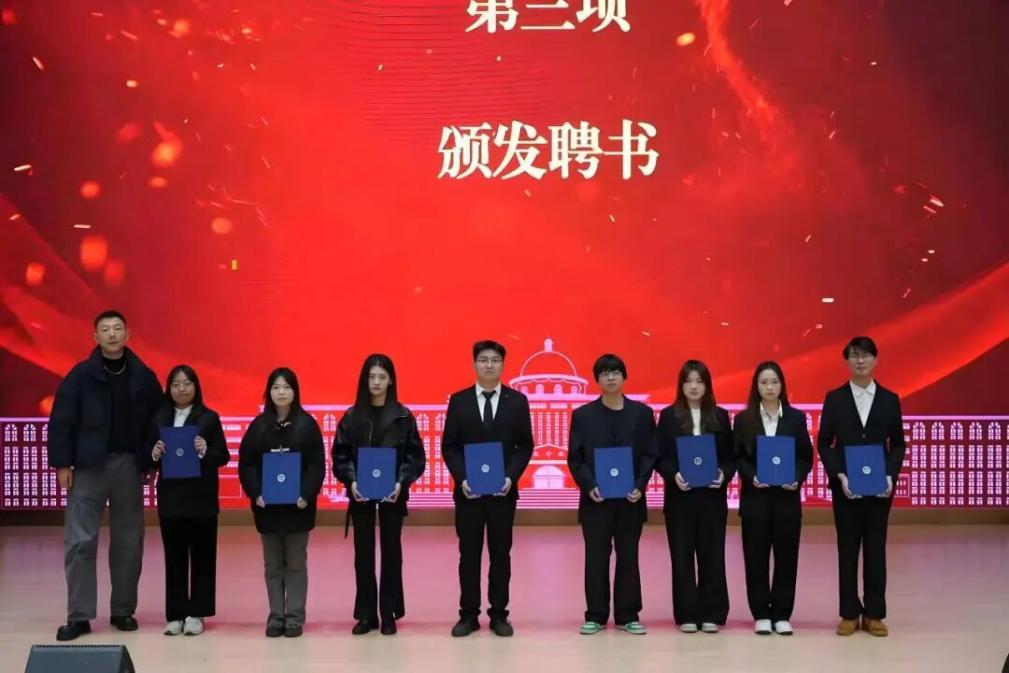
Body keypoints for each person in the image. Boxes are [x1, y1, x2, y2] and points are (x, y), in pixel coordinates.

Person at [47, 310, 162, 641]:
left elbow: (157, 422)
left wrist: (149, 461)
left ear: (128, 335)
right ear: (95, 337)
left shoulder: (143, 376)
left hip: (128, 466)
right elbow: (61, 420)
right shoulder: (80, 376)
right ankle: (79, 615)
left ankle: (123, 610)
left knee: (128, 541)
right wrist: (62, 464)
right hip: (87, 467)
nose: (112, 334)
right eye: (105, 330)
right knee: (80, 541)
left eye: (117, 329)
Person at [442, 340, 533, 637]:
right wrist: (462, 478)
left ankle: (499, 614)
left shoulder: (517, 401)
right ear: (474, 364)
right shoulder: (459, 401)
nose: (489, 365)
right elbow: (450, 446)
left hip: (502, 493)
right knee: (468, 554)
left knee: (500, 554)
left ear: (503, 364)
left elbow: (524, 445)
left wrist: (510, 477)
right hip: (468, 493)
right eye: (483, 359)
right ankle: (468, 614)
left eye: (495, 360)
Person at [818, 336, 905, 637]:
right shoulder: (835, 399)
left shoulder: (890, 399)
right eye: (855, 355)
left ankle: (874, 614)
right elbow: (824, 443)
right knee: (847, 549)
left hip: (880, 489)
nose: (861, 361)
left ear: (875, 360)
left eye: (866, 355)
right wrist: (839, 475)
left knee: (876, 549)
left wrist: (890, 476)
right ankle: (849, 613)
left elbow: (898, 445)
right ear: (847, 361)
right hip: (847, 489)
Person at [333, 354, 426, 636]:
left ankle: (388, 613)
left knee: (391, 552)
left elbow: (415, 457)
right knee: (363, 554)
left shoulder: (403, 416)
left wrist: (401, 481)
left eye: (382, 377)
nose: (376, 382)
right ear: (364, 380)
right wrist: (351, 480)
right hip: (360, 495)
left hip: (392, 495)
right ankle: (366, 615)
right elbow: (340, 455)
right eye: (372, 377)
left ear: (391, 381)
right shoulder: (351, 417)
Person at [567, 354, 656, 636]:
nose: (611, 377)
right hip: (596, 500)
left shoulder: (641, 414)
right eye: (604, 373)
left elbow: (650, 453)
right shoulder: (583, 416)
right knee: (596, 557)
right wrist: (589, 484)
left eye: (616, 372)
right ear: (597, 379)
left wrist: (640, 485)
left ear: (624, 377)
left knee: (628, 556)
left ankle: (628, 615)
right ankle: (595, 614)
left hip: (630, 499)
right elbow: (575, 458)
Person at [238, 367, 325, 638]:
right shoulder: (259, 426)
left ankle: (295, 618)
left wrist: (306, 494)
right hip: (268, 508)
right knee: (273, 564)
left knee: (296, 563)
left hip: (298, 507)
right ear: (268, 393)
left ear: (295, 391)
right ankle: (276, 616)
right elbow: (247, 463)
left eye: (286, 387)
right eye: (276, 387)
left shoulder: (307, 425)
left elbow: (316, 465)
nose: (281, 392)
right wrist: (256, 493)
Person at [147, 365, 229, 636]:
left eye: (187, 383)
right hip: (171, 499)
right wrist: (154, 453)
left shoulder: (209, 418)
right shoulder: (159, 418)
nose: (181, 389)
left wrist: (205, 450)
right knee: (174, 557)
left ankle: (198, 613)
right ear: (169, 388)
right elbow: (147, 456)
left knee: (203, 557)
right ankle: (175, 614)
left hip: (201, 499)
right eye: (176, 384)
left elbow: (223, 456)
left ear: (196, 386)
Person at [733, 361, 813, 636]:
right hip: (755, 499)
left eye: (774, 382)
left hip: (786, 500)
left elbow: (805, 456)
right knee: (755, 558)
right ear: (756, 386)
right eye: (764, 382)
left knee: (786, 558)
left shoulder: (795, 418)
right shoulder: (744, 420)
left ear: (782, 386)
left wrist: (797, 478)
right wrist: (751, 476)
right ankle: (761, 614)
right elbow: (737, 457)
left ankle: (781, 614)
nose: (769, 387)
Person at [655, 360, 735, 634]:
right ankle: (687, 613)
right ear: (681, 385)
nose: (693, 386)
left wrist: (723, 474)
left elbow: (730, 457)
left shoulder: (720, 416)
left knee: (713, 555)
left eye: (699, 381)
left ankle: (712, 612)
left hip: (712, 498)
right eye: (688, 381)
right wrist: (673, 474)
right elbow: (660, 456)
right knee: (682, 556)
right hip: (681, 498)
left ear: (707, 385)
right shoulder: (668, 416)